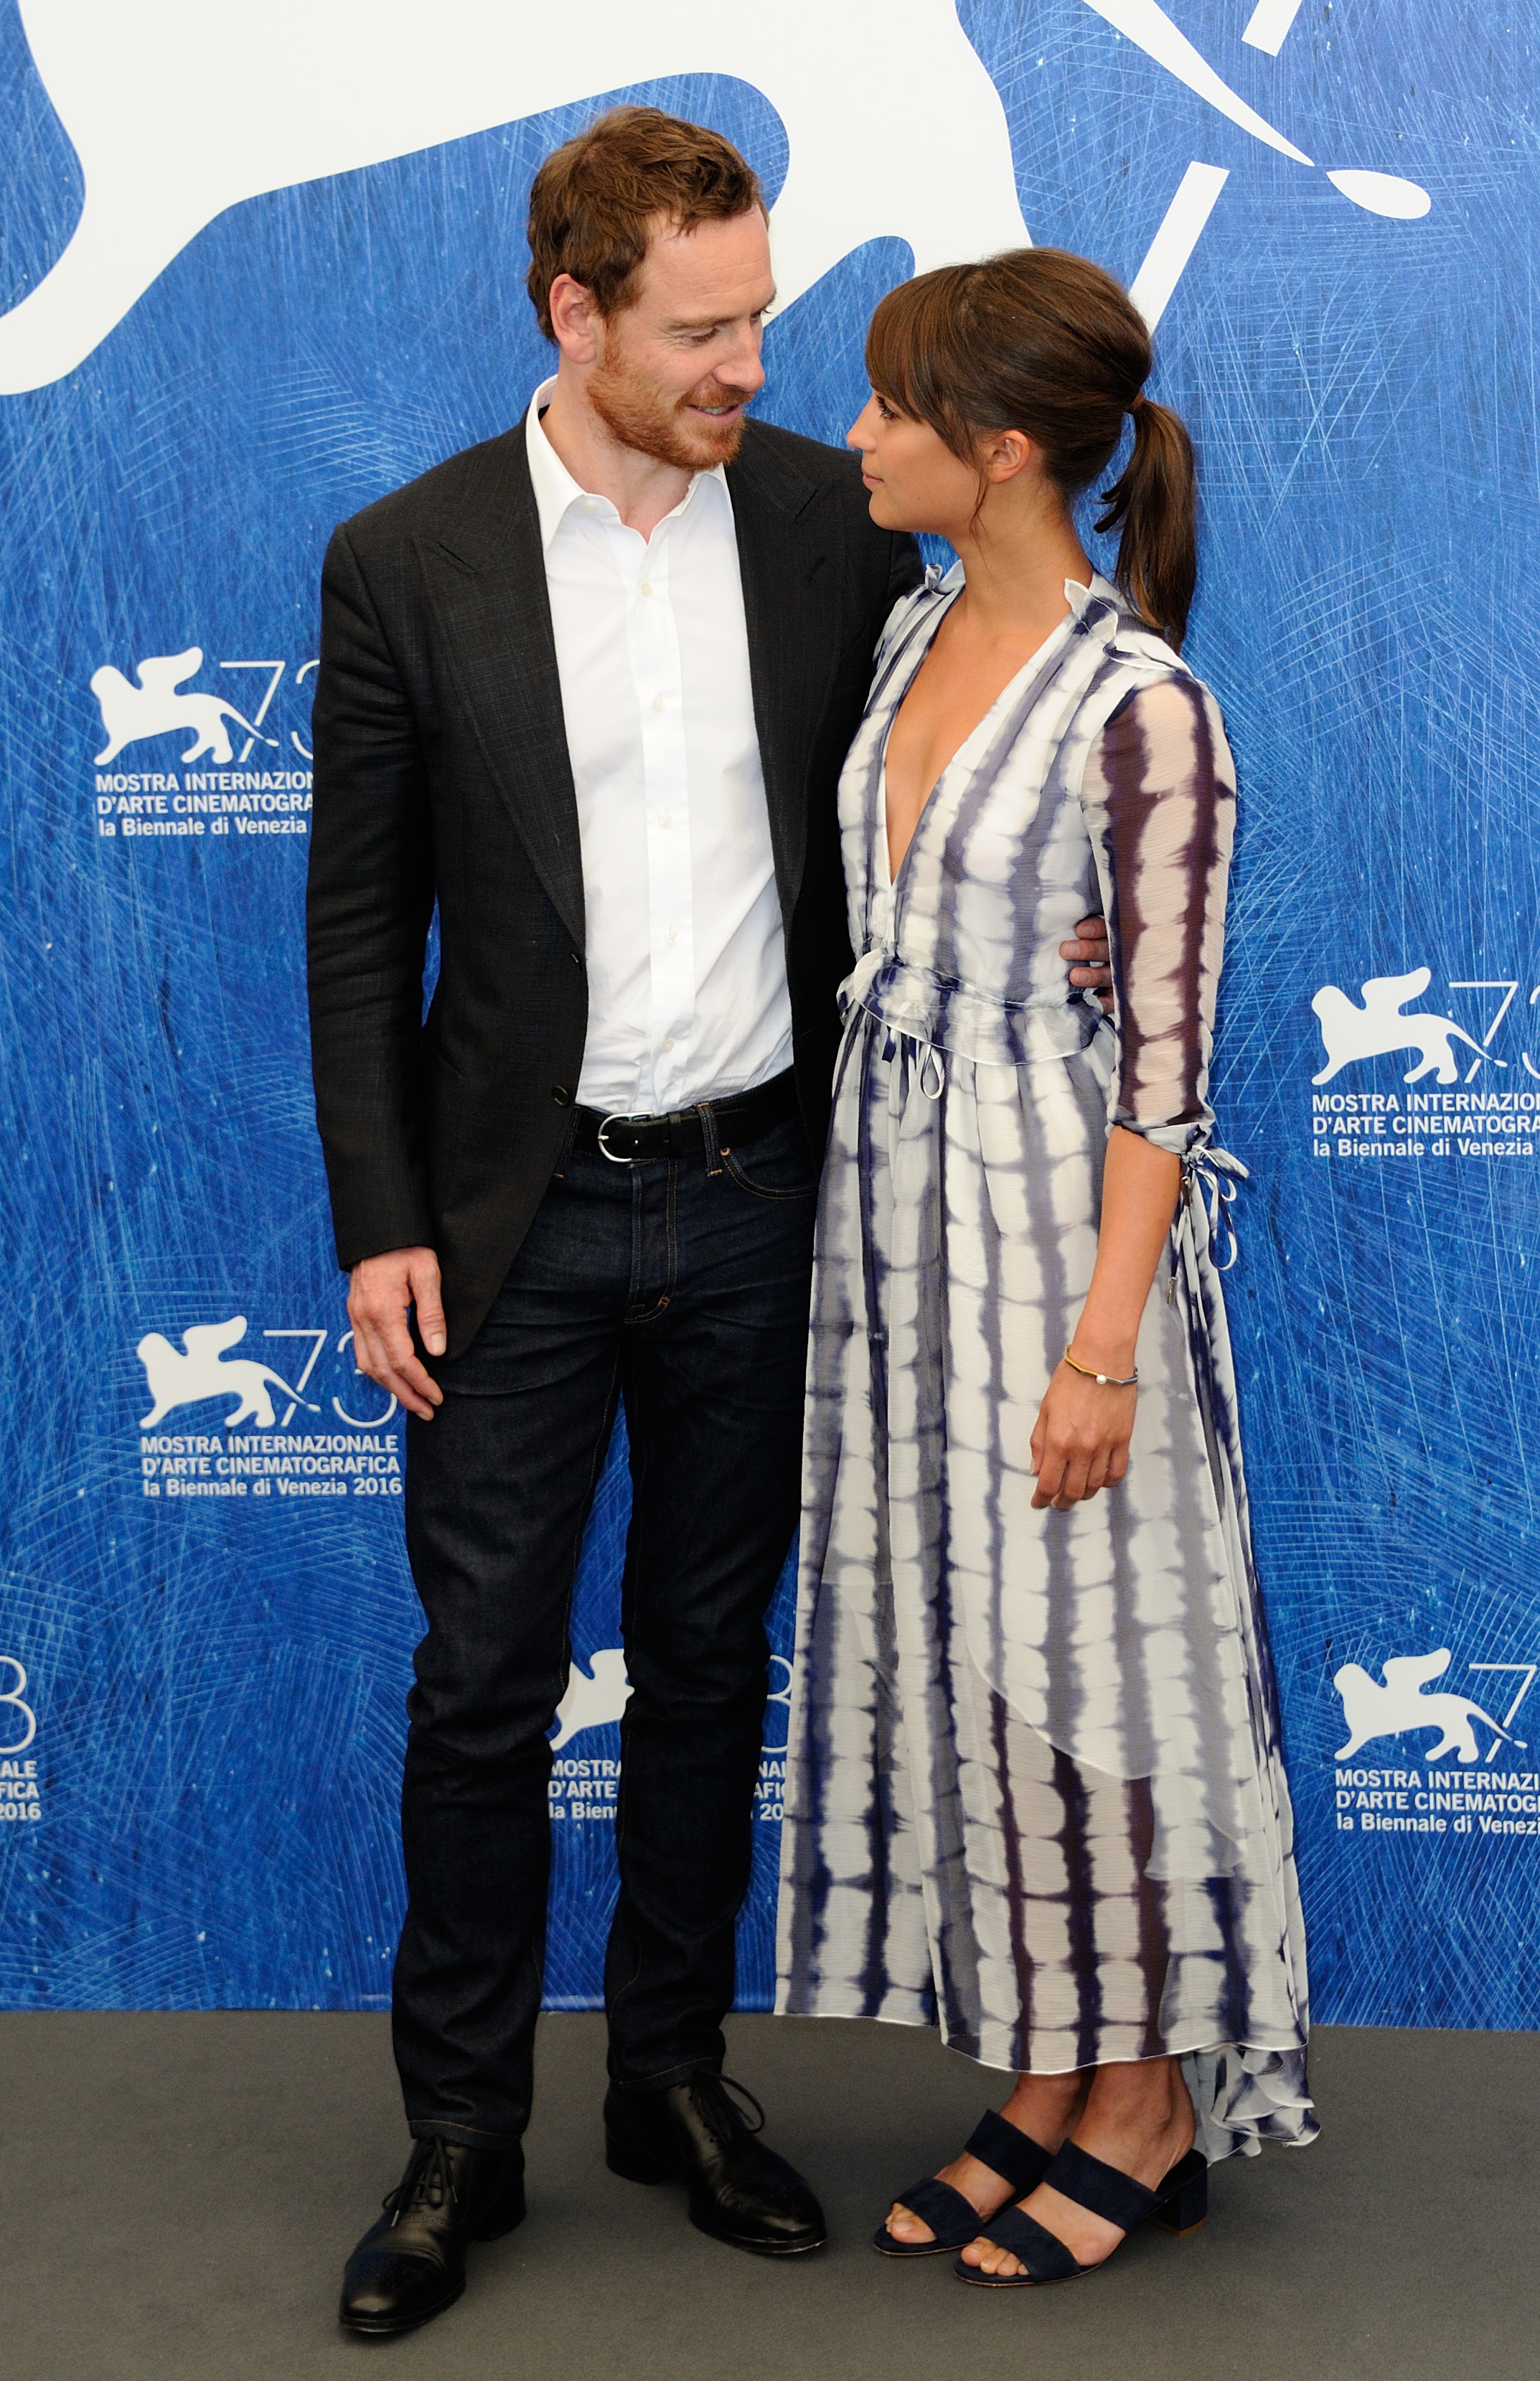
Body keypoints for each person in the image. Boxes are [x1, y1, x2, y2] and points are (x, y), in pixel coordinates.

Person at [308, 107, 1114, 2336]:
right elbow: (357, 927)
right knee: (482, 1685)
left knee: (705, 1666)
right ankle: (459, 2133)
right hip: (513, 1221)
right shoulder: (406, 558)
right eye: (700, 330)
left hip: (768, 1202)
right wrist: (380, 1219)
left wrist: (1067, 902)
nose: (749, 365)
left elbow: (1015, 701)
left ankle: (670, 2081)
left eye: (759, 317)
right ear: (573, 314)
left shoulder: (832, 518)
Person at [775, 248, 1315, 2292]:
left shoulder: (1142, 706)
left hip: (1059, 1240)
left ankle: (1149, 2098)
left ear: (1000, 449)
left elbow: (1168, 1072)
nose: (854, 435)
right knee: (970, 1663)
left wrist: (1103, 1353)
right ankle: (1051, 2065)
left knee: (1098, 1668)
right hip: (897, 1227)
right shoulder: (912, 629)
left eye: (890, 407)